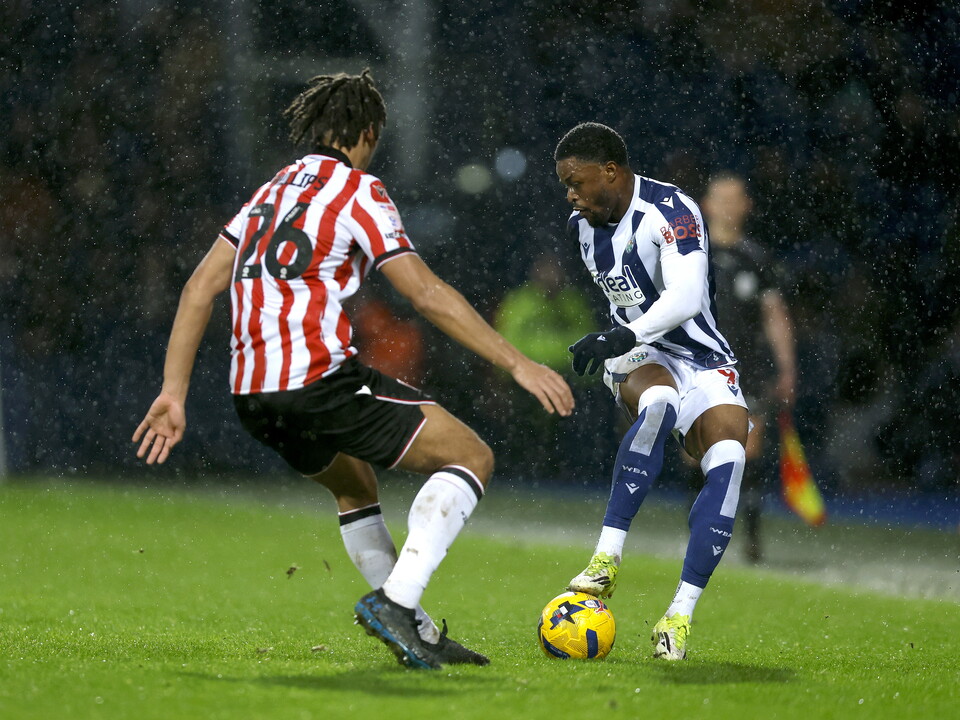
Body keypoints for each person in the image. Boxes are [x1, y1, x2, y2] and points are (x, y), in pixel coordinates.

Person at [132, 70, 574, 670]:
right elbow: (424, 292)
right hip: (316, 381)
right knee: (470, 456)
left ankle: (411, 629)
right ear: (366, 133)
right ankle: (397, 602)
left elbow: (199, 287)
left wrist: (173, 392)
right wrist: (517, 361)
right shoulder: (359, 190)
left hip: (252, 394)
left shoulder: (268, 192)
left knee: (353, 486)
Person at [555, 122, 748, 660]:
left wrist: (622, 332)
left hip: (701, 354)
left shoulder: (674, 211)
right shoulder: (583, 226)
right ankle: (606, 557)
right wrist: (622, 342)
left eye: (576, 181)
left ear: (611, 172)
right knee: (659, 403)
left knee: (730, 457)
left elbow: (686, 297)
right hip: (640, 354)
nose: (570, 195)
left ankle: (679, 616)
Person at [700, 173, 797, 562]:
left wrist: (787, 366)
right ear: (706, 205)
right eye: (719, 198)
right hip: (695, 362)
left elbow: (775, 314)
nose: (726, 205)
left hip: (745, 367)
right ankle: (701, 531)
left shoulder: (757, 258)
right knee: (696, 453)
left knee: (747, 449)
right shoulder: (687, 253)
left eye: (734, 198)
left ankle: (752, 540)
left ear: (746, 206)